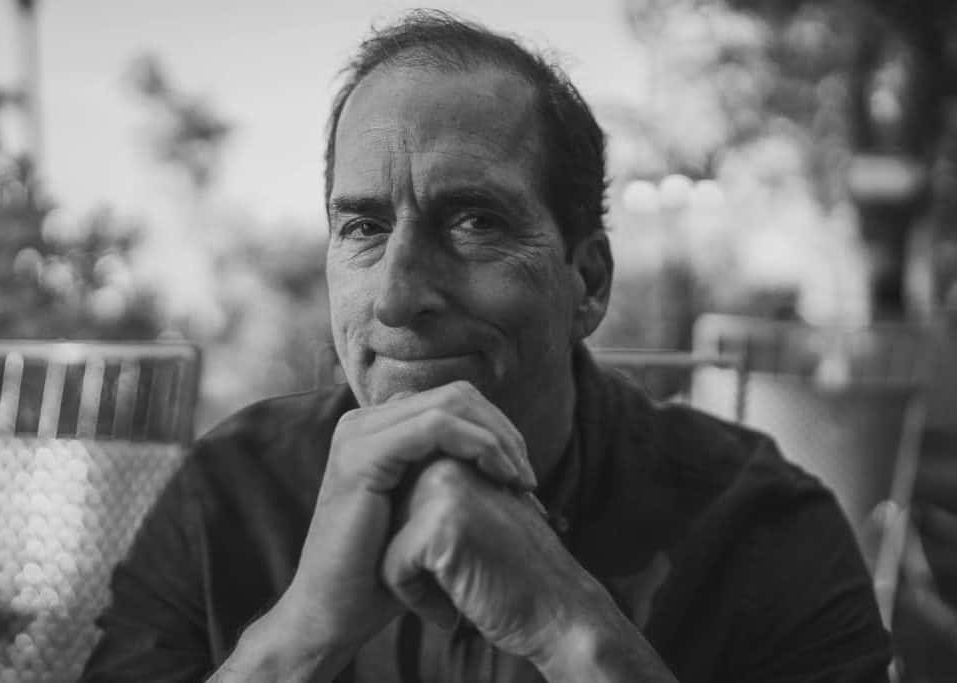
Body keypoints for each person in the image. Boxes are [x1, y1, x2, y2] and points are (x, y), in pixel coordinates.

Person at [81, 10, 891, 683]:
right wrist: (297, 638)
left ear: (588, 282)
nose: (396, 296)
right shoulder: (225, 499)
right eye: (363, 227)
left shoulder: (759, 527)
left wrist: (575, 632)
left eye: (474, 221)